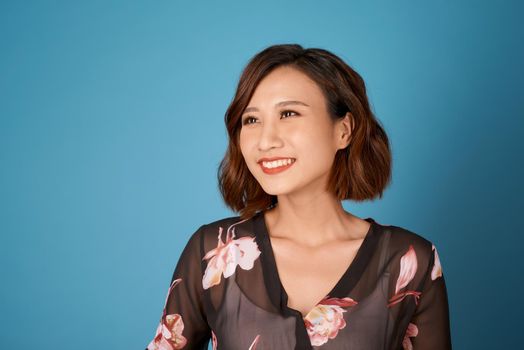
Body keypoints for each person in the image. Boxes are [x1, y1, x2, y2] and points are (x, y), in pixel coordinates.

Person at [146, 44, 452, 350]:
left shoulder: (410, 261)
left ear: (343, 131)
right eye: (251, 120)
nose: (265, 141)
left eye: (288, 113)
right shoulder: (212, 251)